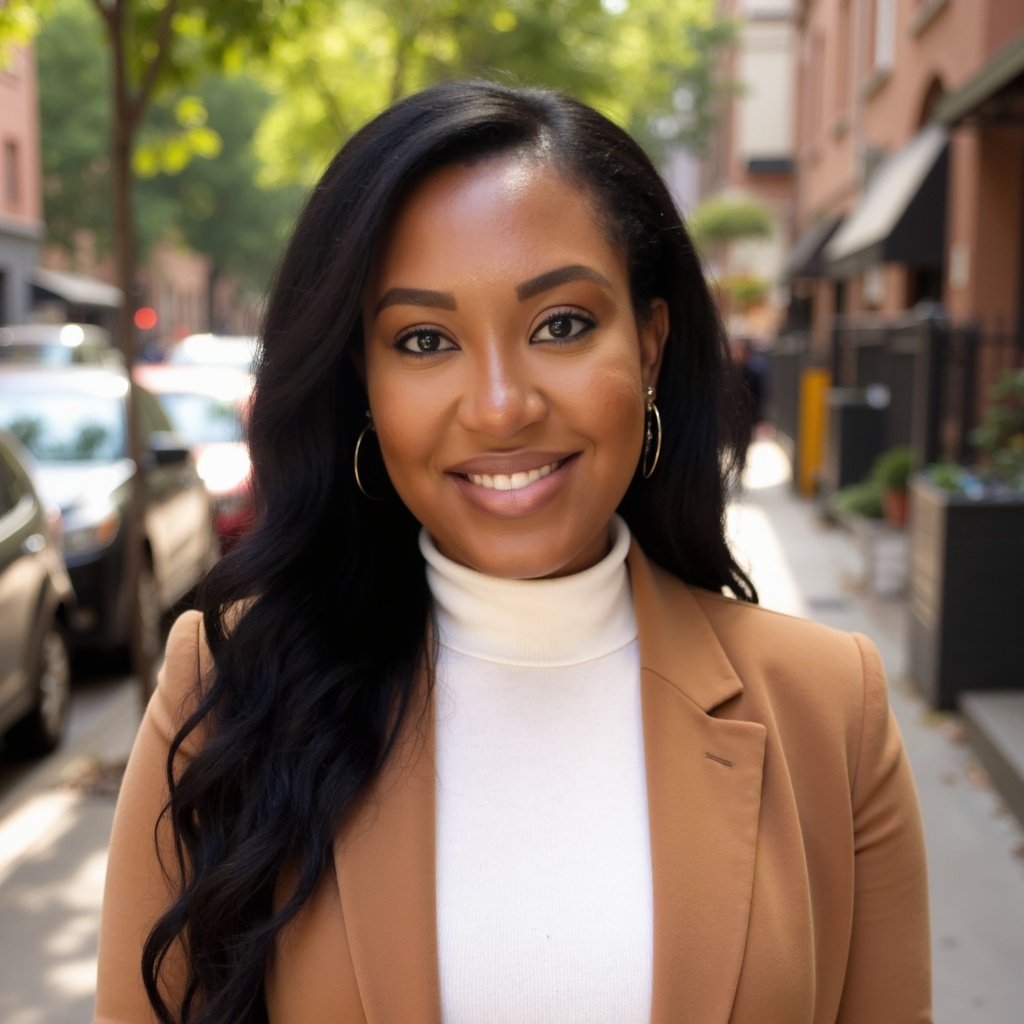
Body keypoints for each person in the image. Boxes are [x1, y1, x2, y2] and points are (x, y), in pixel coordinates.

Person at [94, 80, 931, 1024]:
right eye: (423, 339)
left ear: (650, 345)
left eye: (560, 325)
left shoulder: (829, 712)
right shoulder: (229, 689)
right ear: (360, 382)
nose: (500, 406)